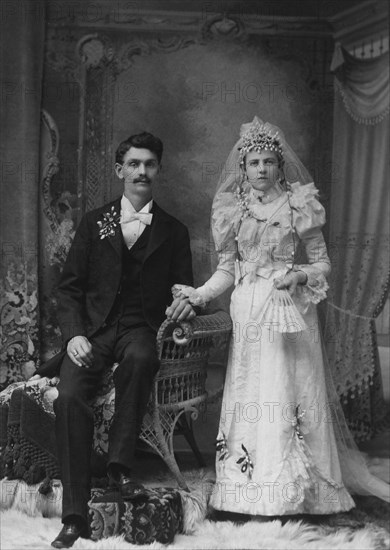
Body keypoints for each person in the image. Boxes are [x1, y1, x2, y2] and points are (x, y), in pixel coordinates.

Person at [173, 117, 389, 517]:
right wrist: (200, 293)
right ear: (243, 167)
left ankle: (299, 488)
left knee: (291, 392)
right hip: (250, 312)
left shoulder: (299, 204)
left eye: (268, 162)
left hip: (291, 310)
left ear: (280, 165)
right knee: (252, 394)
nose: (261, 169)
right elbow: (226, 269)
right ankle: (247, 488)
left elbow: (323, 263)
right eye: (254, 162)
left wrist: (299, 275)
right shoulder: (231, 208)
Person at [34, 131, 196, 548]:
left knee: (143, 359)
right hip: (93, 332)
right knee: (70, 396)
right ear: (119, 170)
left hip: (141, 328)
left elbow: (185, 288)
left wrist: (186, 304)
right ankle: (73, 516)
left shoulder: (174, 231)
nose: (142, 171)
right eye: (134, 164)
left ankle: (120, 468)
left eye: (150, 164)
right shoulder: (94, 222)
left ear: (158, 170)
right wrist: (73, 337)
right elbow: (69, 289)